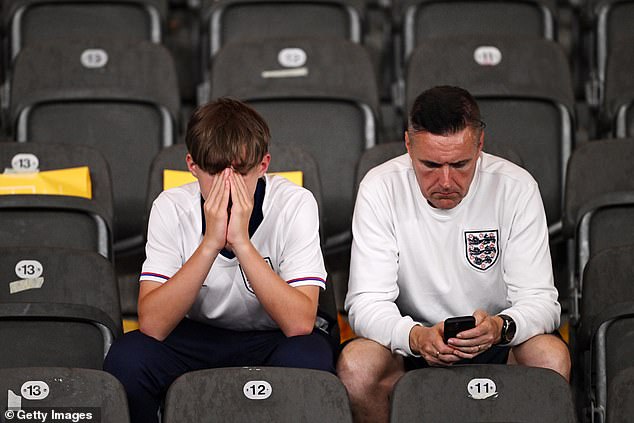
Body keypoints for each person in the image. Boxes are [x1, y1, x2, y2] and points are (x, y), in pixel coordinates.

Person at [336, 86, 571, 423]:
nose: (445, 180)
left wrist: (499, 328)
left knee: (549, 357)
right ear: (408, 144)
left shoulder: (515, 187)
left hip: (498, 340)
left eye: (460, 164)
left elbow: (541, 301)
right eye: (430, 164)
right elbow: (365, 303)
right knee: (357, 366)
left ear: (480, 146)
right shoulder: (380, 187)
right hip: (412, 342)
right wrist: (415, 337)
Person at [104, 98, 334, 423]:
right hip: (196, 335)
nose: (228, 185)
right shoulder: (171, 207)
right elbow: (153, 325)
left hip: (271, 338)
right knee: (128, 359)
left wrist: (241, 242)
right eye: (213, 171)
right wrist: (210, 243)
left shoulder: (295, 204)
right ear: (192, 166)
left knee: (311, 358)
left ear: (263, 165)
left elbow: (299, 322)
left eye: (241, 171)